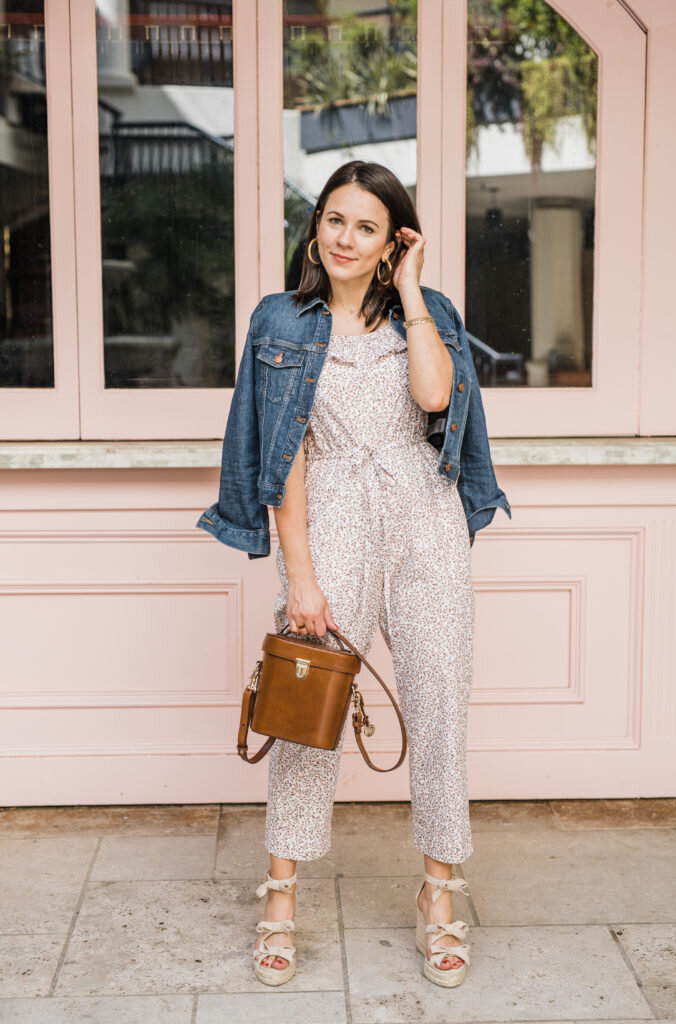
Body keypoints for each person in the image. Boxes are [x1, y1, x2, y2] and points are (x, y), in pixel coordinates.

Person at [196, 159, 511, 988]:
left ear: (392, 241)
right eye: (335, 219)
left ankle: (440, 892)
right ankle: (281, 896)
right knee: (310, 712)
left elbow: (437, 400)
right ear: (315, 227)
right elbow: (283, 458)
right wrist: (301, 578)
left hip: (424, 514)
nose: (346, 237)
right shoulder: (280, 321)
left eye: (368, 226)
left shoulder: (429, 312)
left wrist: (411, 291)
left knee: (440, 701)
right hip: (328, 511)